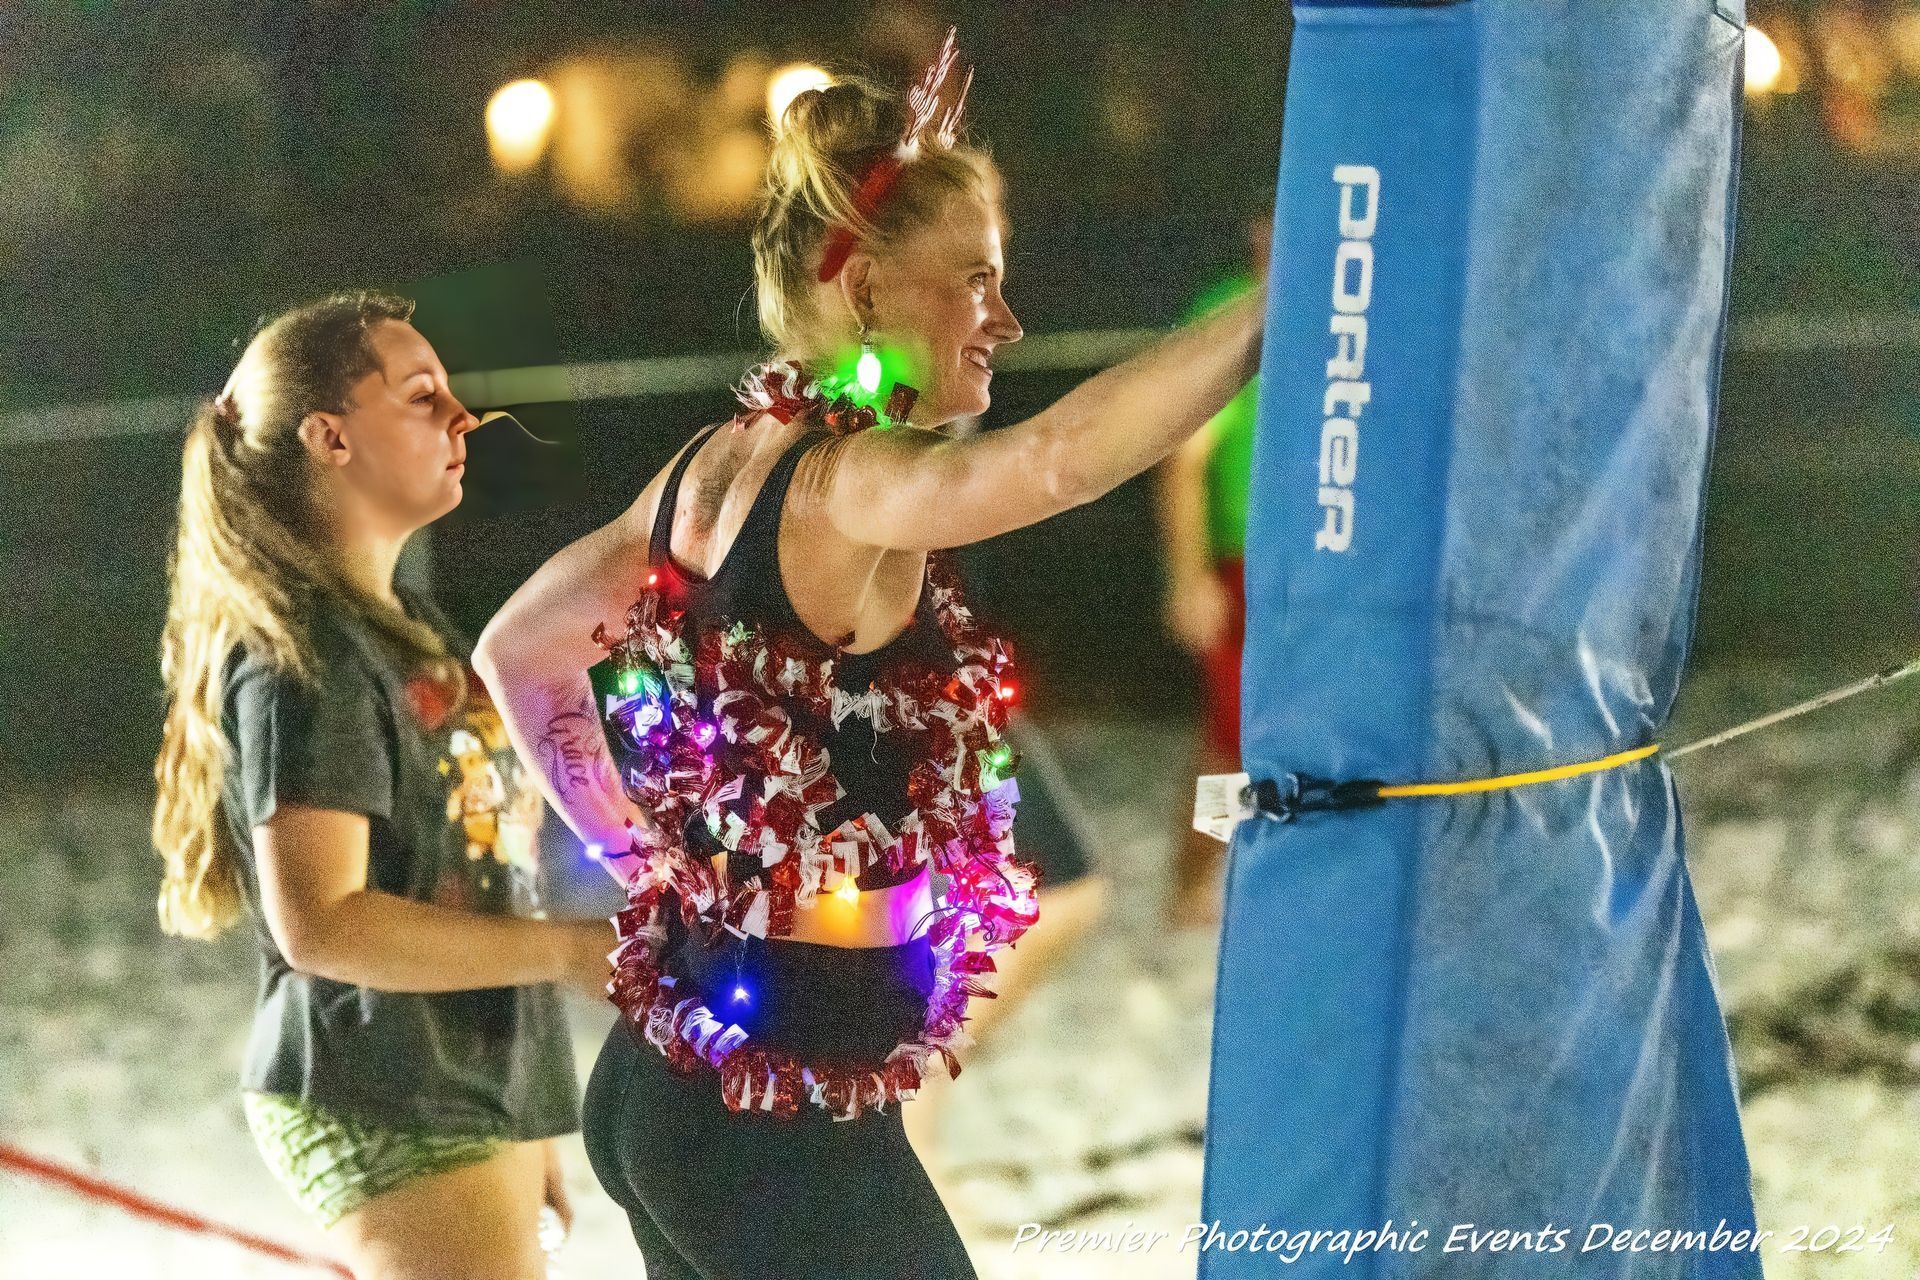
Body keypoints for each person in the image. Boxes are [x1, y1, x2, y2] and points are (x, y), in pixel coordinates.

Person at [475, 31, 1262, 1279]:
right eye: (974, 282)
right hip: (774, 1120)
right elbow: (1058, 461)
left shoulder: (712, 461)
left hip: (677, 1071)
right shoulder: (849, 479)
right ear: (866, 290)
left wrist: (642, 856)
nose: (1004, 319)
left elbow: (518, 649)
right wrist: (1276, 309)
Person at [152, 291, 609, 1280]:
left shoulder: (405, 626)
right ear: (330, 437)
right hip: (384, 1088)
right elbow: (324, 921)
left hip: (460, 1088)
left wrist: (521, 1122)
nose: (464, 416)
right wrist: (572, 950)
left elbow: (471, 872)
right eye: (420, 395)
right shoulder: (303, 657)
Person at [1156, 210, 1270, 927]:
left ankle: (1212, 878)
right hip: (1243, 563)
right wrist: (1187, 576)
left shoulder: (1350, 307)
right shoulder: (1229, 312)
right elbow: (1184, 459)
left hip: (1325, 569)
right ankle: (1194, 881)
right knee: (1233, 742)